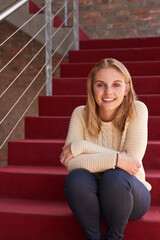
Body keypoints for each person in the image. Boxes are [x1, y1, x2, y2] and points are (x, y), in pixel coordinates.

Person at [60, 58, 151, 240]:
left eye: (116, 85)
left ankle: (115, 237)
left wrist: (82, 146)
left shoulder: (138, 110)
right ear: (92, 88)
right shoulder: (80, 114)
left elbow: (131, 162)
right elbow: (71, 163)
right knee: (76, 177)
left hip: (130, 196)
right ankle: (92, 236)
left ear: (126, 89)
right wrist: (118, 159)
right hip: (92, 198)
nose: (108, 92)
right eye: (101, 85)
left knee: (115, 177)